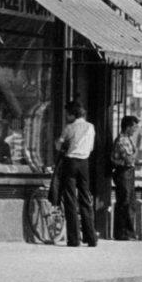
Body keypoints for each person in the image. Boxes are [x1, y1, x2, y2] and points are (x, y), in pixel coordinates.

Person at [55, 99, 98, 247]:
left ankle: (74, 239)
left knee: (70, 199)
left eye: (68, 114)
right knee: (85, 198)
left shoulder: (70, 127)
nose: (66, 117)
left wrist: (62, 145)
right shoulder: (90, 127)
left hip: (71, 162)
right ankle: (91, 237)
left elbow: (59, 144)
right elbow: (91, 147)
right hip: (84, 163)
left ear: (73, 114)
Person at [110, 114, 141, 242]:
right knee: (125, 201)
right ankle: (123, 232)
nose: (135, 130)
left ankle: (128, 232)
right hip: (123, 173)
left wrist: (139, 161)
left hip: (129, 172)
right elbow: (128, 159)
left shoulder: (128, 139)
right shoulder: (122, 140)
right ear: (127, 127)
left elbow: (131, 158)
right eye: (134, 127)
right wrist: (136, 154)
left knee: (130, 201)